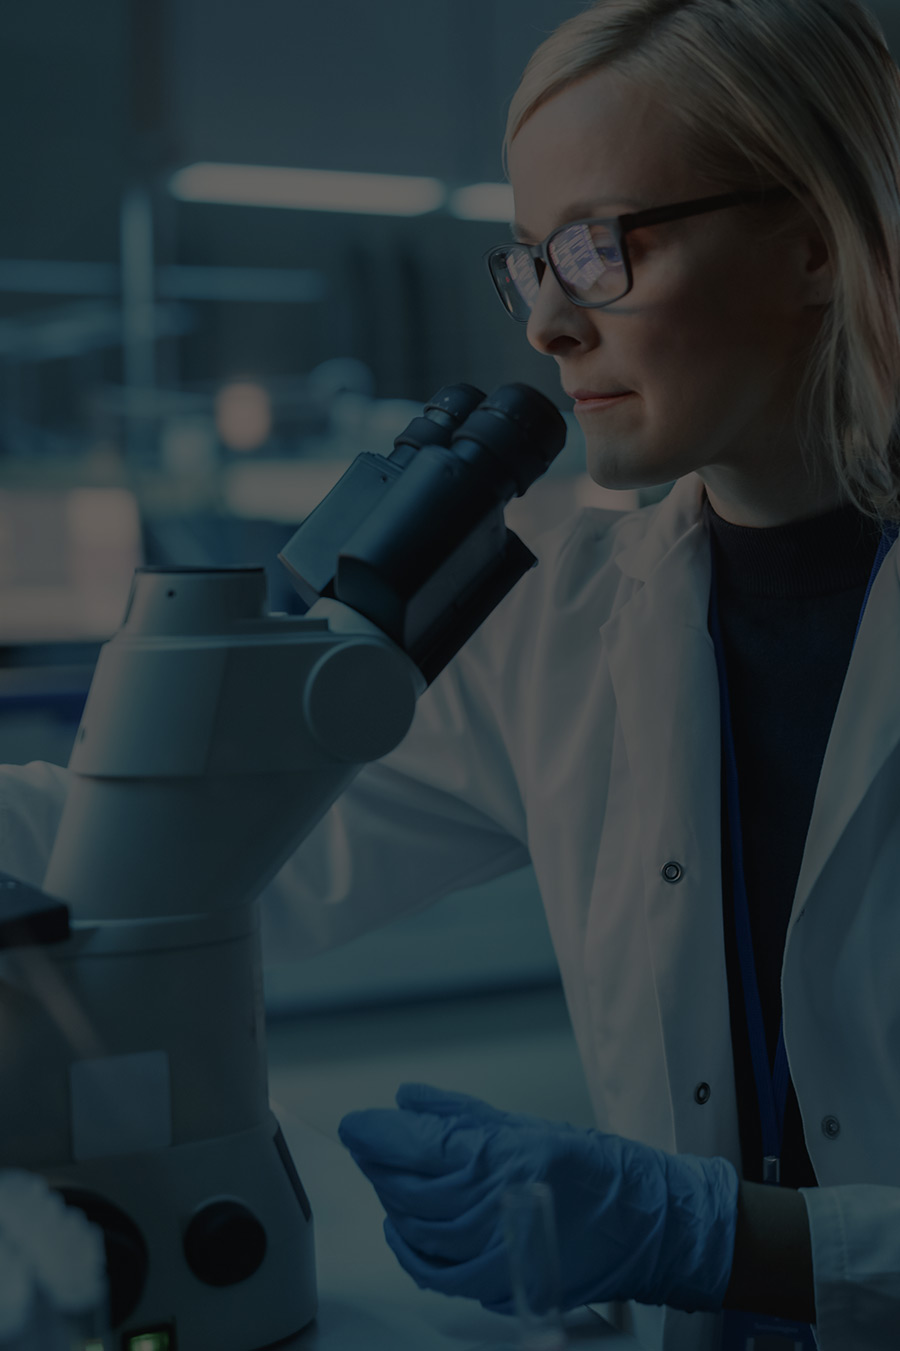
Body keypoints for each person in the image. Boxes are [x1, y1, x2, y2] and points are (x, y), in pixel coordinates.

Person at [3, 0, 900, 1346]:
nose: (547, 324)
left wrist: (730, 1242)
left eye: (600, 249)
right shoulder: (567, 618)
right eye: (532, 260)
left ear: (817, 242)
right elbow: (192, 849)